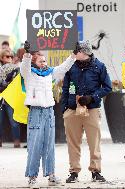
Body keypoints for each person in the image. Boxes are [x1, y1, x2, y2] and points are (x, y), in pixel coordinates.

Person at [20, 41, 76, 188]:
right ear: (34, 61)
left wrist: (73, 55)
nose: (44, 63)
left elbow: (64, 68)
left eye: (45, 60)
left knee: (49, 145)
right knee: (34, 145)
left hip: (49, 112)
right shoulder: (29, 73)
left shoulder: (49, 72)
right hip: (36, 112)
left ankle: (51, 175)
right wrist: (26, 54)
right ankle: (32, 176)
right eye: (41, 61)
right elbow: (24, 67)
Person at [62, 40, 112, 183]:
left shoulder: (100, 66)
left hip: (92, 110)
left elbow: (107, 87)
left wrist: (92, 97)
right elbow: (65, 88)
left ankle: (96, 171)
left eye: (76, 51)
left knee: (94, 142)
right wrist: (65, 108)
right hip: (72, 110)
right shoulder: (70, 66)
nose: (73, 53)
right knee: (73, 143)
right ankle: (74, 172)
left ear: (83, 52)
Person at [0, 49, 21, 148]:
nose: (10, 58)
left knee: (14, 121)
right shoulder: (1, 69)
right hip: (1, 97)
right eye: (7, 56)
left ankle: (16, 141)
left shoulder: (16, 68)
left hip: (11, 98)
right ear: (2, 58)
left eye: (11, 57)